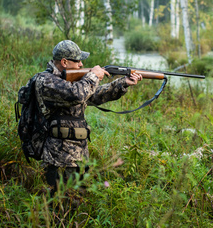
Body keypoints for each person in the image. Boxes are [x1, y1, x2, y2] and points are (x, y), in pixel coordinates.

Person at [34, 40, 142, 197]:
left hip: (79, 154)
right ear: (64, 62)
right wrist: (93, 76)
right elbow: (76, 94)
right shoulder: (46, 81)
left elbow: (95, 95)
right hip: (58, 156)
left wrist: (123, 83)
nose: (81, 64)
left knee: (76, 200)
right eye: (77, 60)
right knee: (56, 201)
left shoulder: (75, 82)